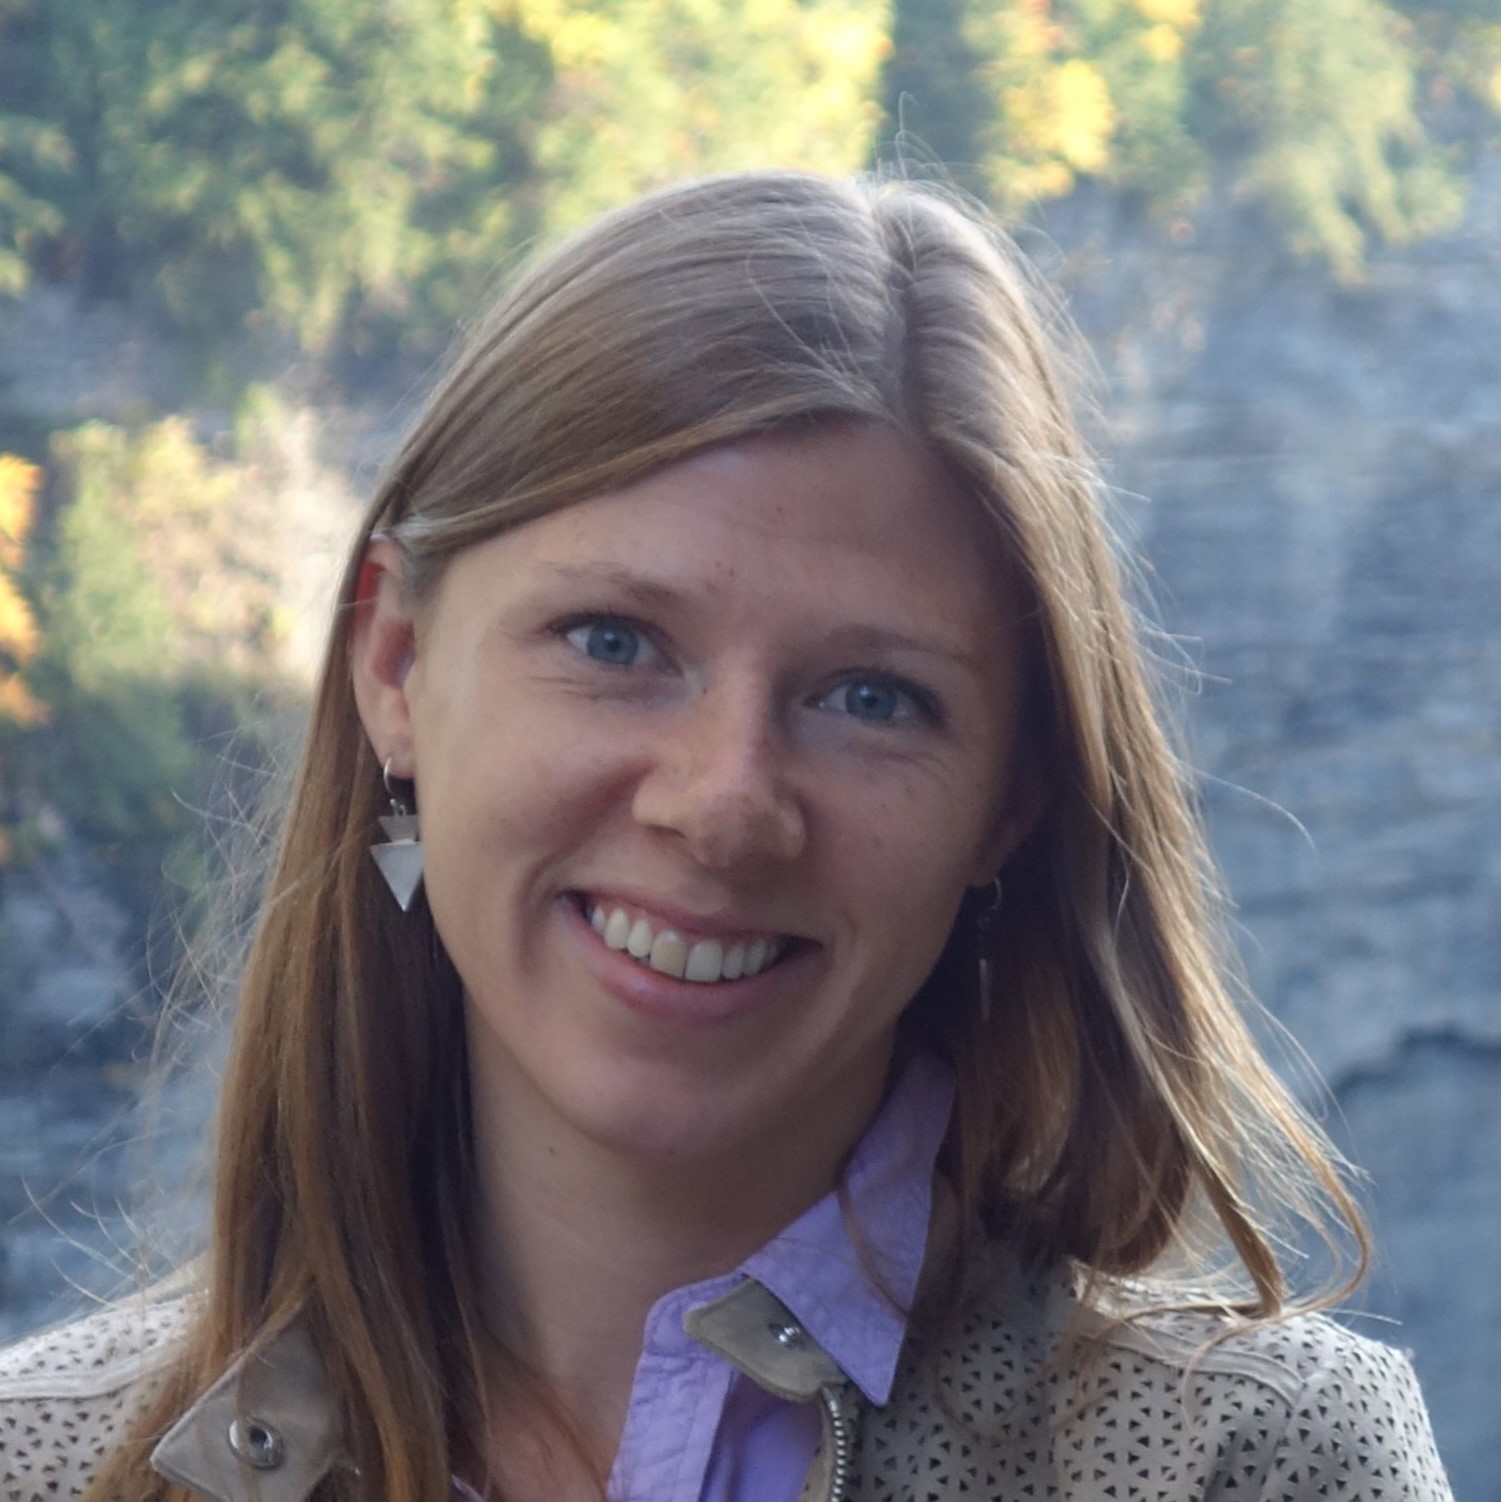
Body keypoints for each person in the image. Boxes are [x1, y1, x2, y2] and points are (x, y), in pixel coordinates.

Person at [0, 171, 1451, 1502]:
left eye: (872, 696)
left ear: (1008, 797)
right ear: (394, 663)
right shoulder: (49, 1461)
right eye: (615, 639)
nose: (722, 803)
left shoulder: (1257, 1466)